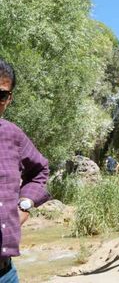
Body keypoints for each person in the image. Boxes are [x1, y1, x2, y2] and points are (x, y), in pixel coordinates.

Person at [0, 58, 50, 281]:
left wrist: (24, 205)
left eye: (1, 95)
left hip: (5, 272)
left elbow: (40, 170)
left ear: (9, 99)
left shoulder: (13, 135)